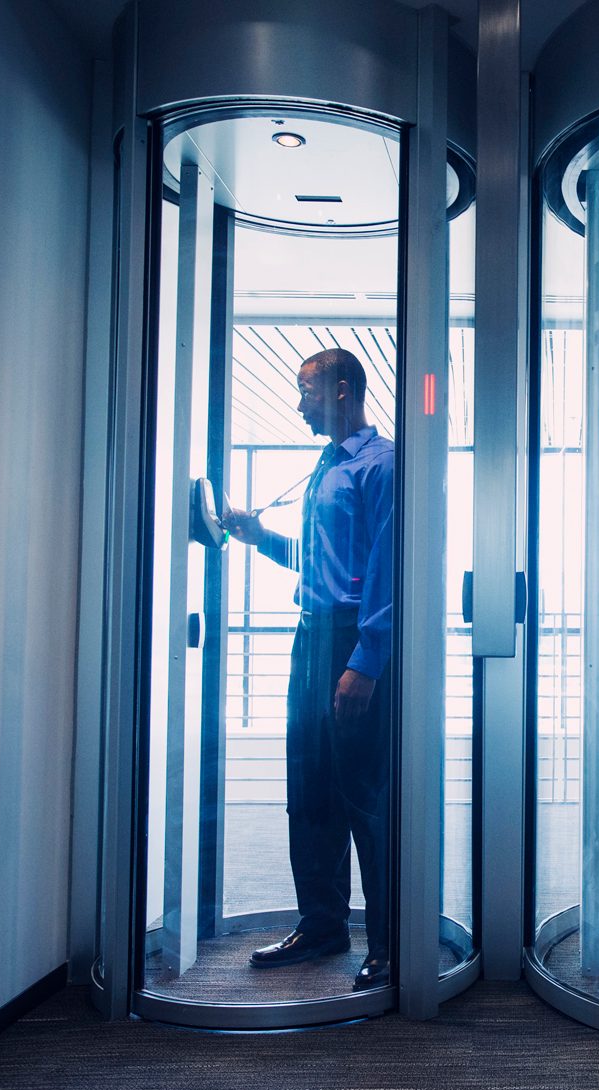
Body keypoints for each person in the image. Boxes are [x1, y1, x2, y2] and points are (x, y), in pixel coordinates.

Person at [222, 348, 395, 993]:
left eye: (307, 391)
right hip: (311, 639)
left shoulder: (380, 465)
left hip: (353, 643)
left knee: (366, 798)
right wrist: (260, 538)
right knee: (311, 789)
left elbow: (386, 569)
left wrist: (367, 661)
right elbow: (323, 562)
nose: (298, 404)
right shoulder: (325, 469)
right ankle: (322, 925)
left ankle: (387, 944)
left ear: (343, 390)